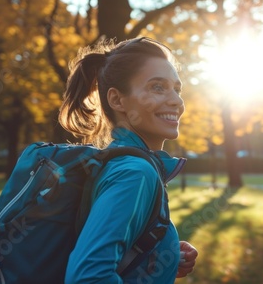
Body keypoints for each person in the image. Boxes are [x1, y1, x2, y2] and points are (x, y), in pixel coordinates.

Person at [59, 37, 198, 283]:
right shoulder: (135, 172)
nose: (176, 101)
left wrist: (160, 254)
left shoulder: (122, 161)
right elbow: (88, 277)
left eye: (176, 89)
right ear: (117, 100)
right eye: (157, 87)